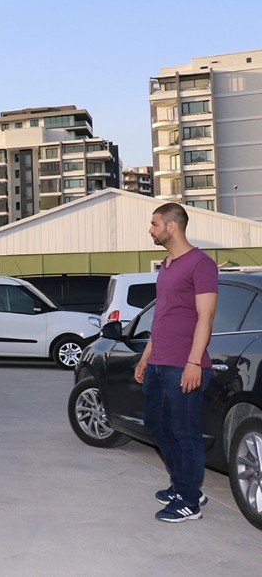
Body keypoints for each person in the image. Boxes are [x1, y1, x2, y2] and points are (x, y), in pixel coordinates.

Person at [134, 203, 217, 523]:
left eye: (154, 224)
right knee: (156, 424)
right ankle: (185, 484)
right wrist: (146, 357)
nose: (150, 230)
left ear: (172, 227)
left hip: (184, 364)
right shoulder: (166, 266)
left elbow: (206, 317)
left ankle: (189, 501)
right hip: (159, 363)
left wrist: (194, 362)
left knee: (185, 432)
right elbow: (162, 317)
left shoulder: (201, 264)